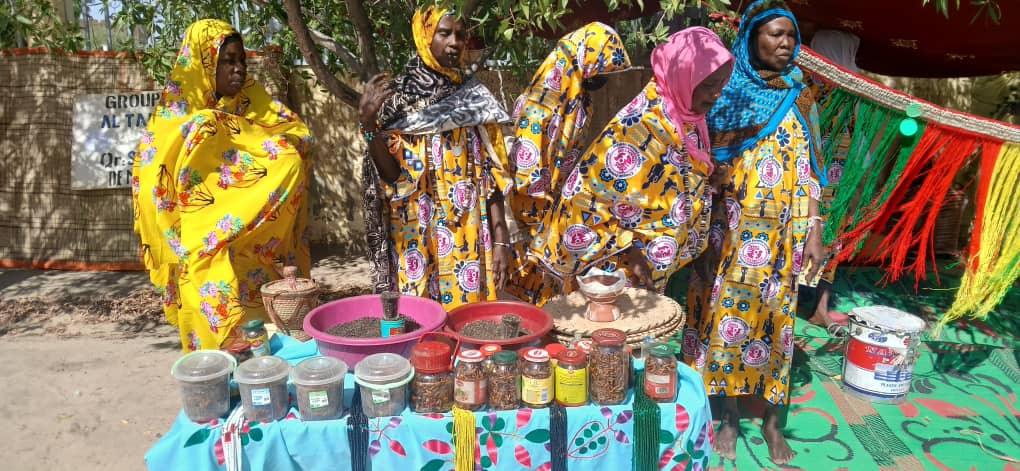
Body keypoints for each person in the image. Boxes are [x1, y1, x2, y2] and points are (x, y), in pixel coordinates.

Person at [682, 1, 826, 465]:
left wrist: (816, 230)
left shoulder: (802, 95)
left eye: (790, 35)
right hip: (733, 233)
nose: (785, 44)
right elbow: (707, 164)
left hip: (784, 237)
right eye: (774, 35)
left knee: (779, 324)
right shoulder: (729, 95)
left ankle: (771, 422)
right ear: (750, 39)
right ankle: (728, 417)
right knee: (727, 320)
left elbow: (813, 172)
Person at [509, 27, 733, 305]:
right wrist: (630, 250)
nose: (717, 95)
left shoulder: (687, 120)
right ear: (684, 75)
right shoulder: (641, 126)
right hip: (617, 272)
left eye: (722, 84)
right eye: (710, 84)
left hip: (650, 273)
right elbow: (585, 200)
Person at [132, 19, 314, 352]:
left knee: (265, 355)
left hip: (250, 247)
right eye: (228, 61)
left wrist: (239, 136)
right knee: (218, 371)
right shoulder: (176, 116)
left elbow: (299, 139)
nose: (239, 69)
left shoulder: (251, 102)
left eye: (242, 60)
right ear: (203, 65)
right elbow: (152, 184)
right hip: (201, 243)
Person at [359, 6, 513, 308]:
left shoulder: (474, 99)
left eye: (460, 34)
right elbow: (392, 179)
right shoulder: (397, 100)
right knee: (420, 330)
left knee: (468, 326)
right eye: (444, 33)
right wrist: (368, 126)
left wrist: (501, 239)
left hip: (466, 235)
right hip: (415, 233)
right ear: (424, 35)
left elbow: (490, 173)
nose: (454, 42)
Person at [509, 22, 631, 241]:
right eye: (603, 69)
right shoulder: (545, 99)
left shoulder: (577, 98)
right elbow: (526, 168)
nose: (607, 77)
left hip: (550, 207)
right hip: (530, 211)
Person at [800, 29, 862, 330]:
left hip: (823, 178)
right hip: (822, 178)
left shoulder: (843, 92)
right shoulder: (809, 88)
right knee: (816, 236)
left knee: (825, 238)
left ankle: (815, 308)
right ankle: (814, 307)